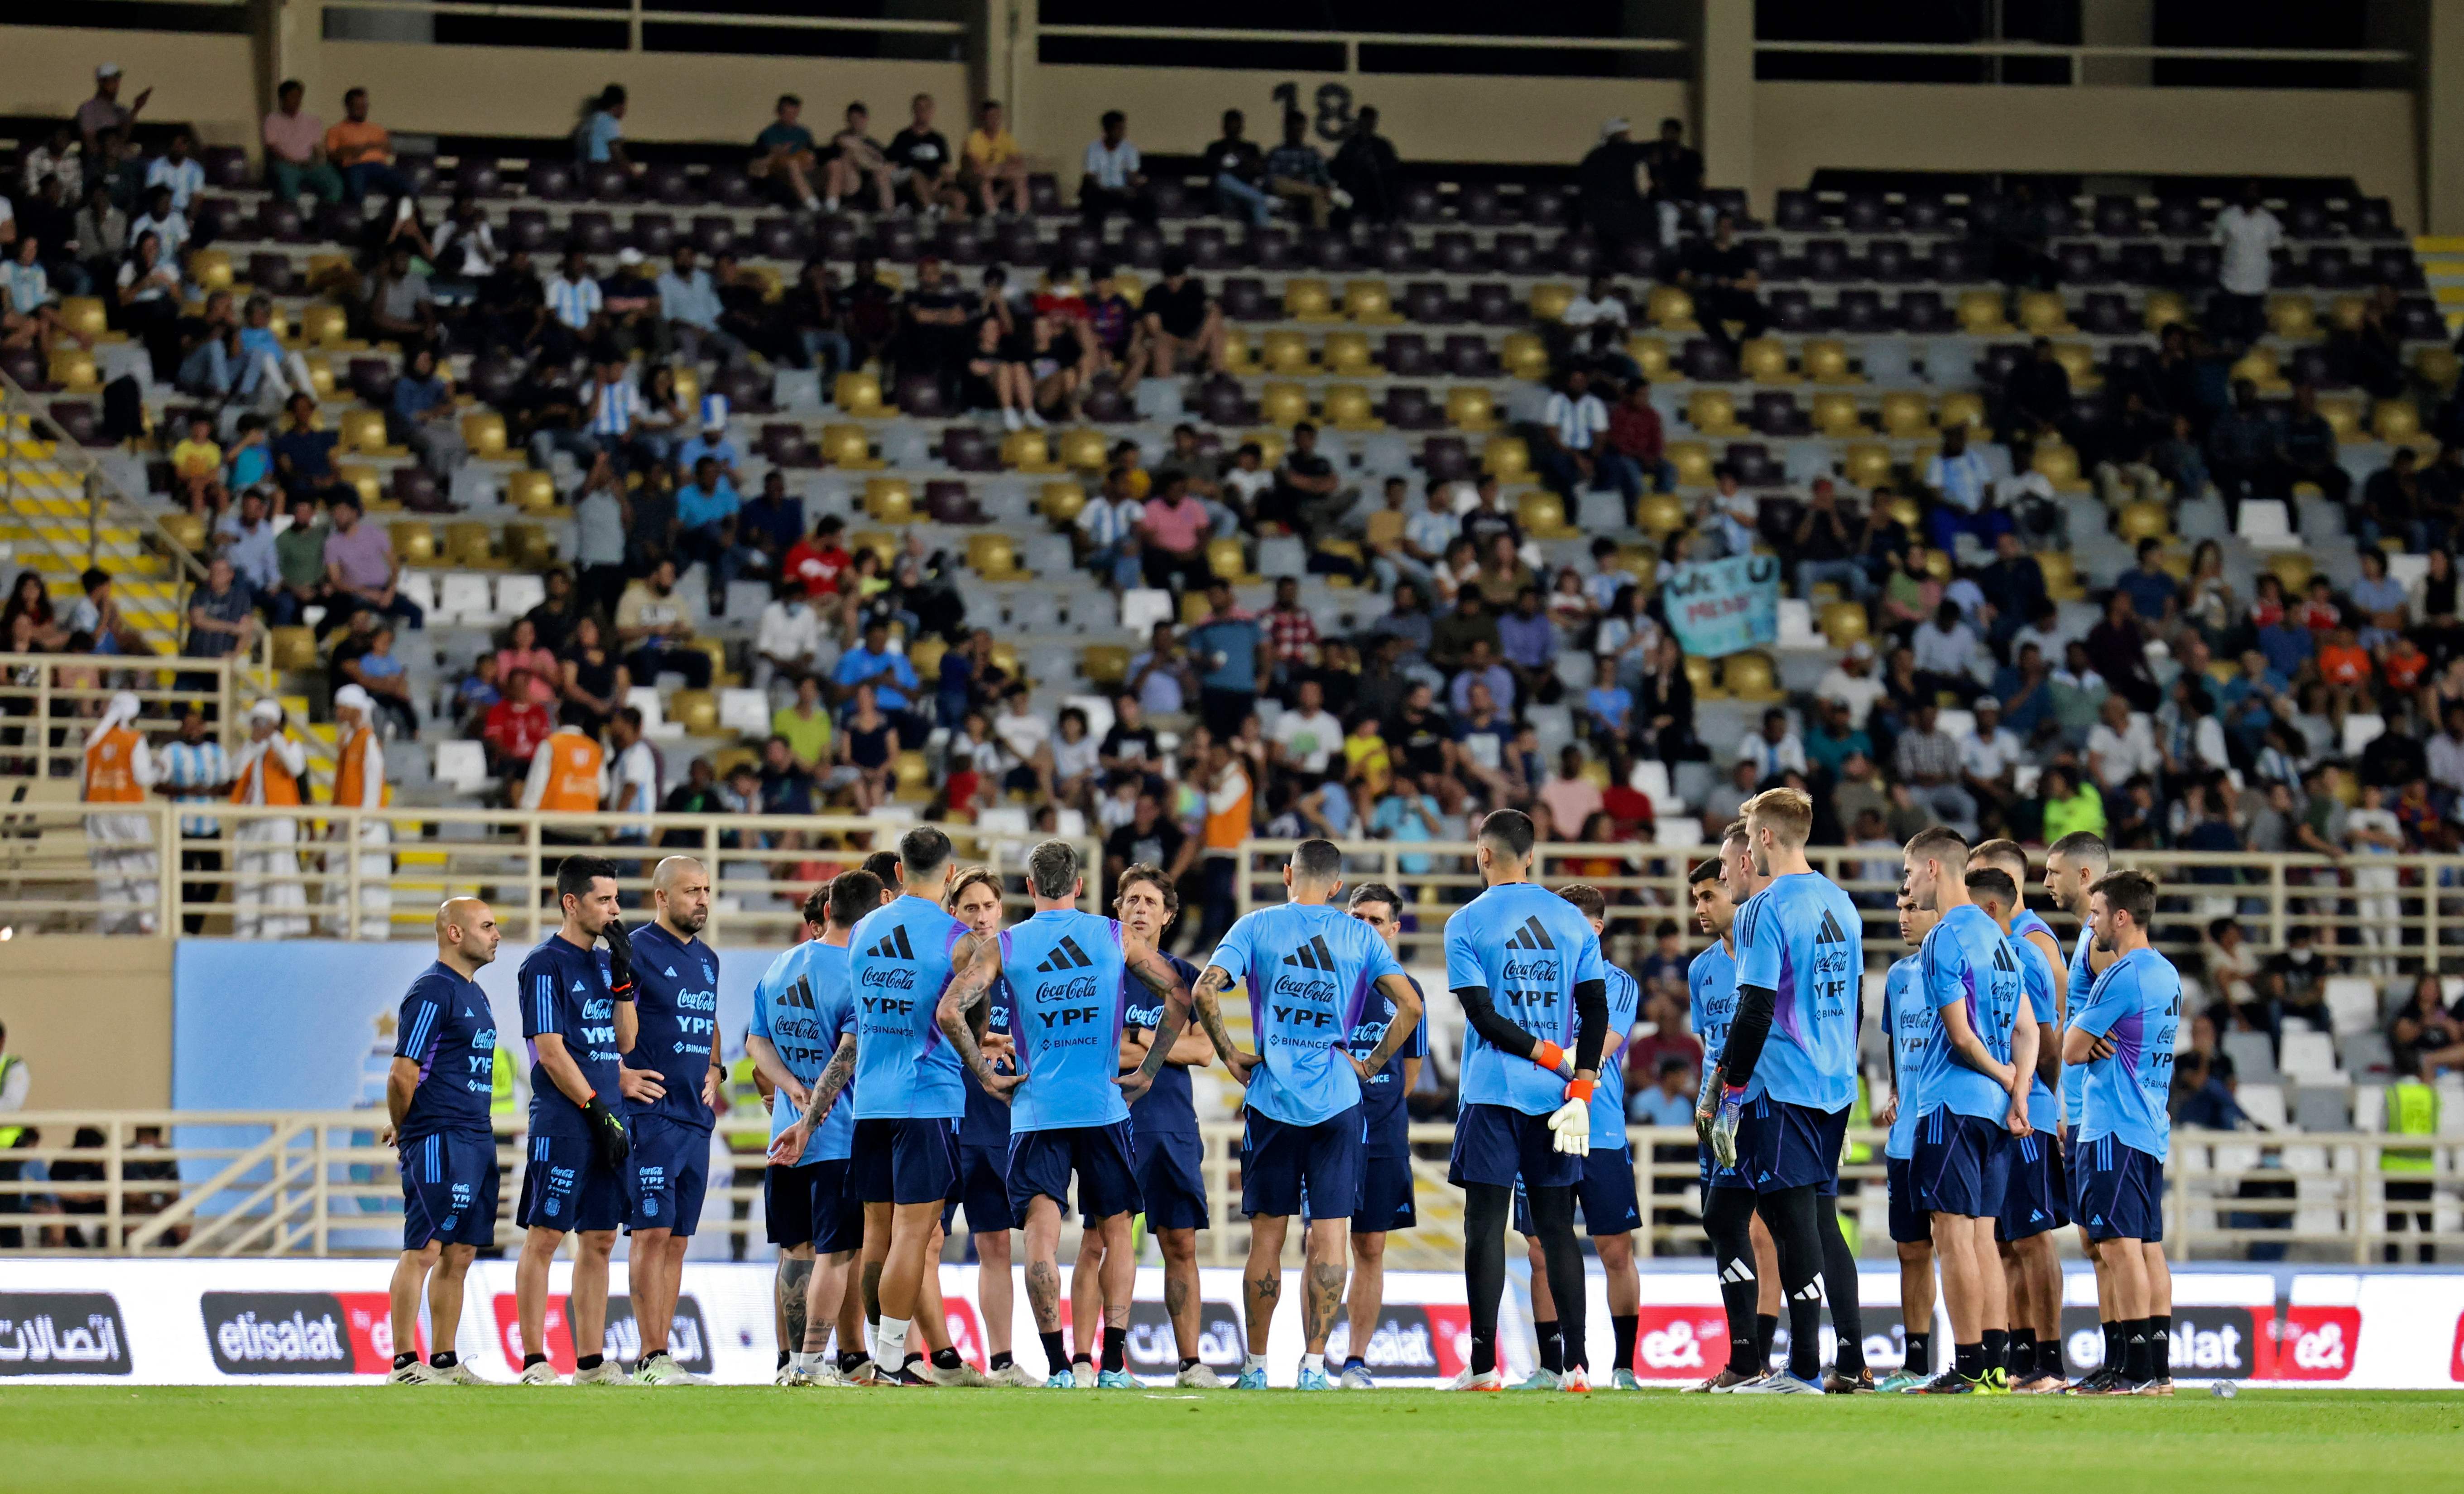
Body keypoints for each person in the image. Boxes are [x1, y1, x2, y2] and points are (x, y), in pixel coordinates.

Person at [937, 839, 1197, 1388]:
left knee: (1039, 1239)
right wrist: (1149, 1068)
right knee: (1118, 1234)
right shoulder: (1111, 935)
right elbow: (1179, 992)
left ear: (1029, 888)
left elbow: (949, 1010)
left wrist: (986, 1077)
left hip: (1036, 1110)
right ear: (1079, 886)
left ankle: (1058, 1366)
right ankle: (1112, 1365)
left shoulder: (1005, 945)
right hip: (1103, 1107)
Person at [1186, 837, 1420, 1389]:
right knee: (1333, 1235)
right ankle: (1315, 1366)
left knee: (1266, 1236)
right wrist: (1367, 1065)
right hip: (1339, 1097)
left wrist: (1229, 1054)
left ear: (1287, 873)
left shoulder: (1255, 926)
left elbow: (1204, 990)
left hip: (1271, 1095)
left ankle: (1255, 1365)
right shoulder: (1359, 934)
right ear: (1337, 886)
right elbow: (1409, 1004)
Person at [768, 826, 981, 1387]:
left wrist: (810, 1118)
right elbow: (957, 1020)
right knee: (914, 1236)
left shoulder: (863, 931)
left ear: (900, 873)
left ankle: (873, 1359)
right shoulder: (958, 939)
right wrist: (985, 1071)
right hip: (926, 1099)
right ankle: (889, 1361)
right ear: (950, 875)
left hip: (869, 1105)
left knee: (876, 1235)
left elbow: (855, 1037)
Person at [1697, 789, 1868, 1394]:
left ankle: (1800, 1369)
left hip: (1781, 1085)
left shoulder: (1761, 910)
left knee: (1793, 1227)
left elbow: (1754, 1008)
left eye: (1747, 834)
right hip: (1833, 1086)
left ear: (1764, 837)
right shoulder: (1842, 904)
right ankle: (1806, 1364)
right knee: (1806, 1223)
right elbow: (1855, 1002)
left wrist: (1731, 1093)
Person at [1441, 810, 1606, 1393]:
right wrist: (1578, 1083)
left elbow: (1482, 1017)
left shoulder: (1464, 922)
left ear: (1483, 855)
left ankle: (1484, 1365)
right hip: (1556, 1098)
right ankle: (1577, 1366)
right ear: (1530, 855)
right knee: (1558, 1229)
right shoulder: (1571, 922)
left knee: (1484, 1227)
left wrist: (1548, 1056)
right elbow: (1595, 1011)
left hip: (1491, 1092)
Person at [1899, 827, 2035, 1393]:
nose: (1906, 886)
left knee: (1952, 1238)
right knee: (1983, 1239)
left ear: (1933, 868)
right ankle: (1995, 1366)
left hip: (1952, 1102)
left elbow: (1959, 1036)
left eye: (1908, 874)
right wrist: (2019, 1090)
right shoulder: (2002, 938)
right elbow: (2026, 1030)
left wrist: (2004, 1076)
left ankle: (1965, 1365)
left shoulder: (1943, 938)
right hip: (1998, 1112)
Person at [511, 856, 639, 1385]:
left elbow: (626, 1042)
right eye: (603, 900)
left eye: (615, 899)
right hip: (567, 1119)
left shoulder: (606, 962)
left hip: (607, 1115)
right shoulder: (544, 964)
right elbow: (549, 1050)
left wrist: (625, 980)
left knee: (601, 1238)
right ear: (571, 902)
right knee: (545, 1236)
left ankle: (589, 1361)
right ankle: (535, 1360)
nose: (614, 910)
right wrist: (596, 1109)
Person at [1513, 882, 1643, 1390]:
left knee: (1615, 1249)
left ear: (1595, 928)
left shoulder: (1617, 983)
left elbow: (1601, 1044)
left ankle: (1625, 1366)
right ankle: (1560, 1364)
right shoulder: (1536, 980)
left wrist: (1543, 1052)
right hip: (1540, 1121)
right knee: (1540, 1250)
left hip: (1599, 1126)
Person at [752, 874, 876, 1386]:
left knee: (794, 1251)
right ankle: (811, 1362)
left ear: (826, 910)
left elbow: (756, 1044)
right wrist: (811, 1113)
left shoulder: (780, 965)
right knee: (836, 1253)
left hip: (782, 1135)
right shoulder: (857, 974)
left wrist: (790, 1088)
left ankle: (790, 1365)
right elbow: (845, 1060)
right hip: (835, 1137)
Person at [2063, 869, 2181, 1396]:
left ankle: (2131, 1369)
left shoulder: (2124, 974)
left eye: (2095, 914)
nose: (2090, 925)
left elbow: (2069, 1047)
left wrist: (2086, 1035)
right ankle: (2154, 1370)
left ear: (2121, 916)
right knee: (2145, 1245)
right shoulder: (2166, 974)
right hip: (2149, 1123)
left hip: (2114, 1124)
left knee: (2117, 1247)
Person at [380, 897, 504, 1385]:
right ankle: (404, 1362)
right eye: (487, 926)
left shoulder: (475, 994)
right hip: (438, 1137)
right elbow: (401, 1073)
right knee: (424, 1248)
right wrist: (406, 1124)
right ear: (455, 933)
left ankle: (445, 1362)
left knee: (461, 1252)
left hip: (476, 1135)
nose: (497, 934)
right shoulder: (432, 991)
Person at [609, 858, 722, 1384]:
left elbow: (710, 1017)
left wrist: (716, 1066)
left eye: (706, 889)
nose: (702, 899)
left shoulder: (709, 960)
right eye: (690, 891)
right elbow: (592, 1021)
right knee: (650, 1235)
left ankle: (662, 1357)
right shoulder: (629, 951)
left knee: (676, 1240)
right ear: (660, 897)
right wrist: (618, 1075)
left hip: (694, 1121)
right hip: (651, 1117)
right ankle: (650, 1355)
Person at [1965, 862, 2070, 1393]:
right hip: (1999, 1109)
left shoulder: (2025, 954)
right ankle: (2023, 1356)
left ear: (1988, 907)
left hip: (2028, 1111)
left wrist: (2036, 1100)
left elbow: (2045, 1041)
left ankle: (2050, 1360)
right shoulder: (1985, 955)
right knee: (2006, 1243)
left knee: (2032, 1239)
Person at [937, 866, 1037, 1386]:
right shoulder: (939, 966)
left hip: (999, 1125)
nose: (979, 916)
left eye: (988, 907)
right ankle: (920, 1358)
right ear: (953, 912)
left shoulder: (1017, 970)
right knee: (924, 1241)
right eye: (968, 907)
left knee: (995, 1244)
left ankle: (1001, 1361)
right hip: (944, 1120)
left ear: (1001, 911)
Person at [1331, 882, 1431, 1389]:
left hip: (1384, 1134)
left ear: (1393, 929)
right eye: (1356, 916)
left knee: (1369, 1247)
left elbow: (1408, 1075)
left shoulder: (1408, 991)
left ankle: (1355, 1360)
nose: (1364, 927)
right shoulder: (1326, 981)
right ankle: (1310, 1359)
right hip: (1329, 1128)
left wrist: (1374, 1090)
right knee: (1320, 1242)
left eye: (1375, 920)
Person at [1874, 889, 1943, 1393]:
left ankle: (1982, 1356)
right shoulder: (1897, 978)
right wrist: (1897, 1092)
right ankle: (1916, 1362)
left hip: (1949, 1129)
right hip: (1905, 1137)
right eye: (1900, 908)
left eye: (1912, 907)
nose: (1903, 917)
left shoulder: (1960, 967)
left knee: (1968, 1245)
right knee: (1910, 1250)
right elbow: (1897, 1042)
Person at [227, 699, 309, 939]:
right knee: (248, 873)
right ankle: (246, 927)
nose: (258, 727)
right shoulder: (249, 749)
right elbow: (233, 772)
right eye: (256, 722)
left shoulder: (290, 745)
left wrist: (274, 738)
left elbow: (295, 767)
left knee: (277, 871)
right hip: (250, 821)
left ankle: (275, 928)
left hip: (278, 820)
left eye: (264, 722)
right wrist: (253, 745)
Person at [82, 690, 159, 935]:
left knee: (108, 871)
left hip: (98, 815)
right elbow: (144, 776)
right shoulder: (134, 739)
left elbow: (84, 783)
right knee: (143, 866)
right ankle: (148, 920)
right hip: (127, 812)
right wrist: (161, 769)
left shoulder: (94, 741)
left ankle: (114, 925)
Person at [1079, 111, 1149, 227]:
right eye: (1118, 129)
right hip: (1101, 193)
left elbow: (1133, 176)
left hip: (1122, 193)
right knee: (1092, 198)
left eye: (1123, 129)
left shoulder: (1129, 150)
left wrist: (1137, 182)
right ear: (1107, 130)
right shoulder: (1093, 149)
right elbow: (1091, 177)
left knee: (1146, 202)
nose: (1122, 133)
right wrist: (1104, 190)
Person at [1202, 108, 1271, 227]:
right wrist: (1242, 166)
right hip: (1225, 199)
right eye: (1231, 127)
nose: (1234, 130)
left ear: (1242, 128)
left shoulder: (1251, 149)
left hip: (1247, 195)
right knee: (1223, 179)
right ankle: (1265, 199)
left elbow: (1258, 169)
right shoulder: (1215, 149)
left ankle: (1264, 240)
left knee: (1258, 203)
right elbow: (1214, 171)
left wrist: (1234, 167)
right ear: (1224, 128)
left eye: (1237, 127)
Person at [960, 100, 1029, 217]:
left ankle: (1021, 217)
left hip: (998, 176)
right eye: (991, 116)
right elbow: (979, 169)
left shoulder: (1006, 138)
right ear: (984, 118)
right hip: (975, 179)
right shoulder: (974, 139)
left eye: (998, 116)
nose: (995, 120)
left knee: (1020, 179)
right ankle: (993, 215)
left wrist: (997, 169)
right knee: (985, 182)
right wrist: (1003, 168)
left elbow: (1019, 165)